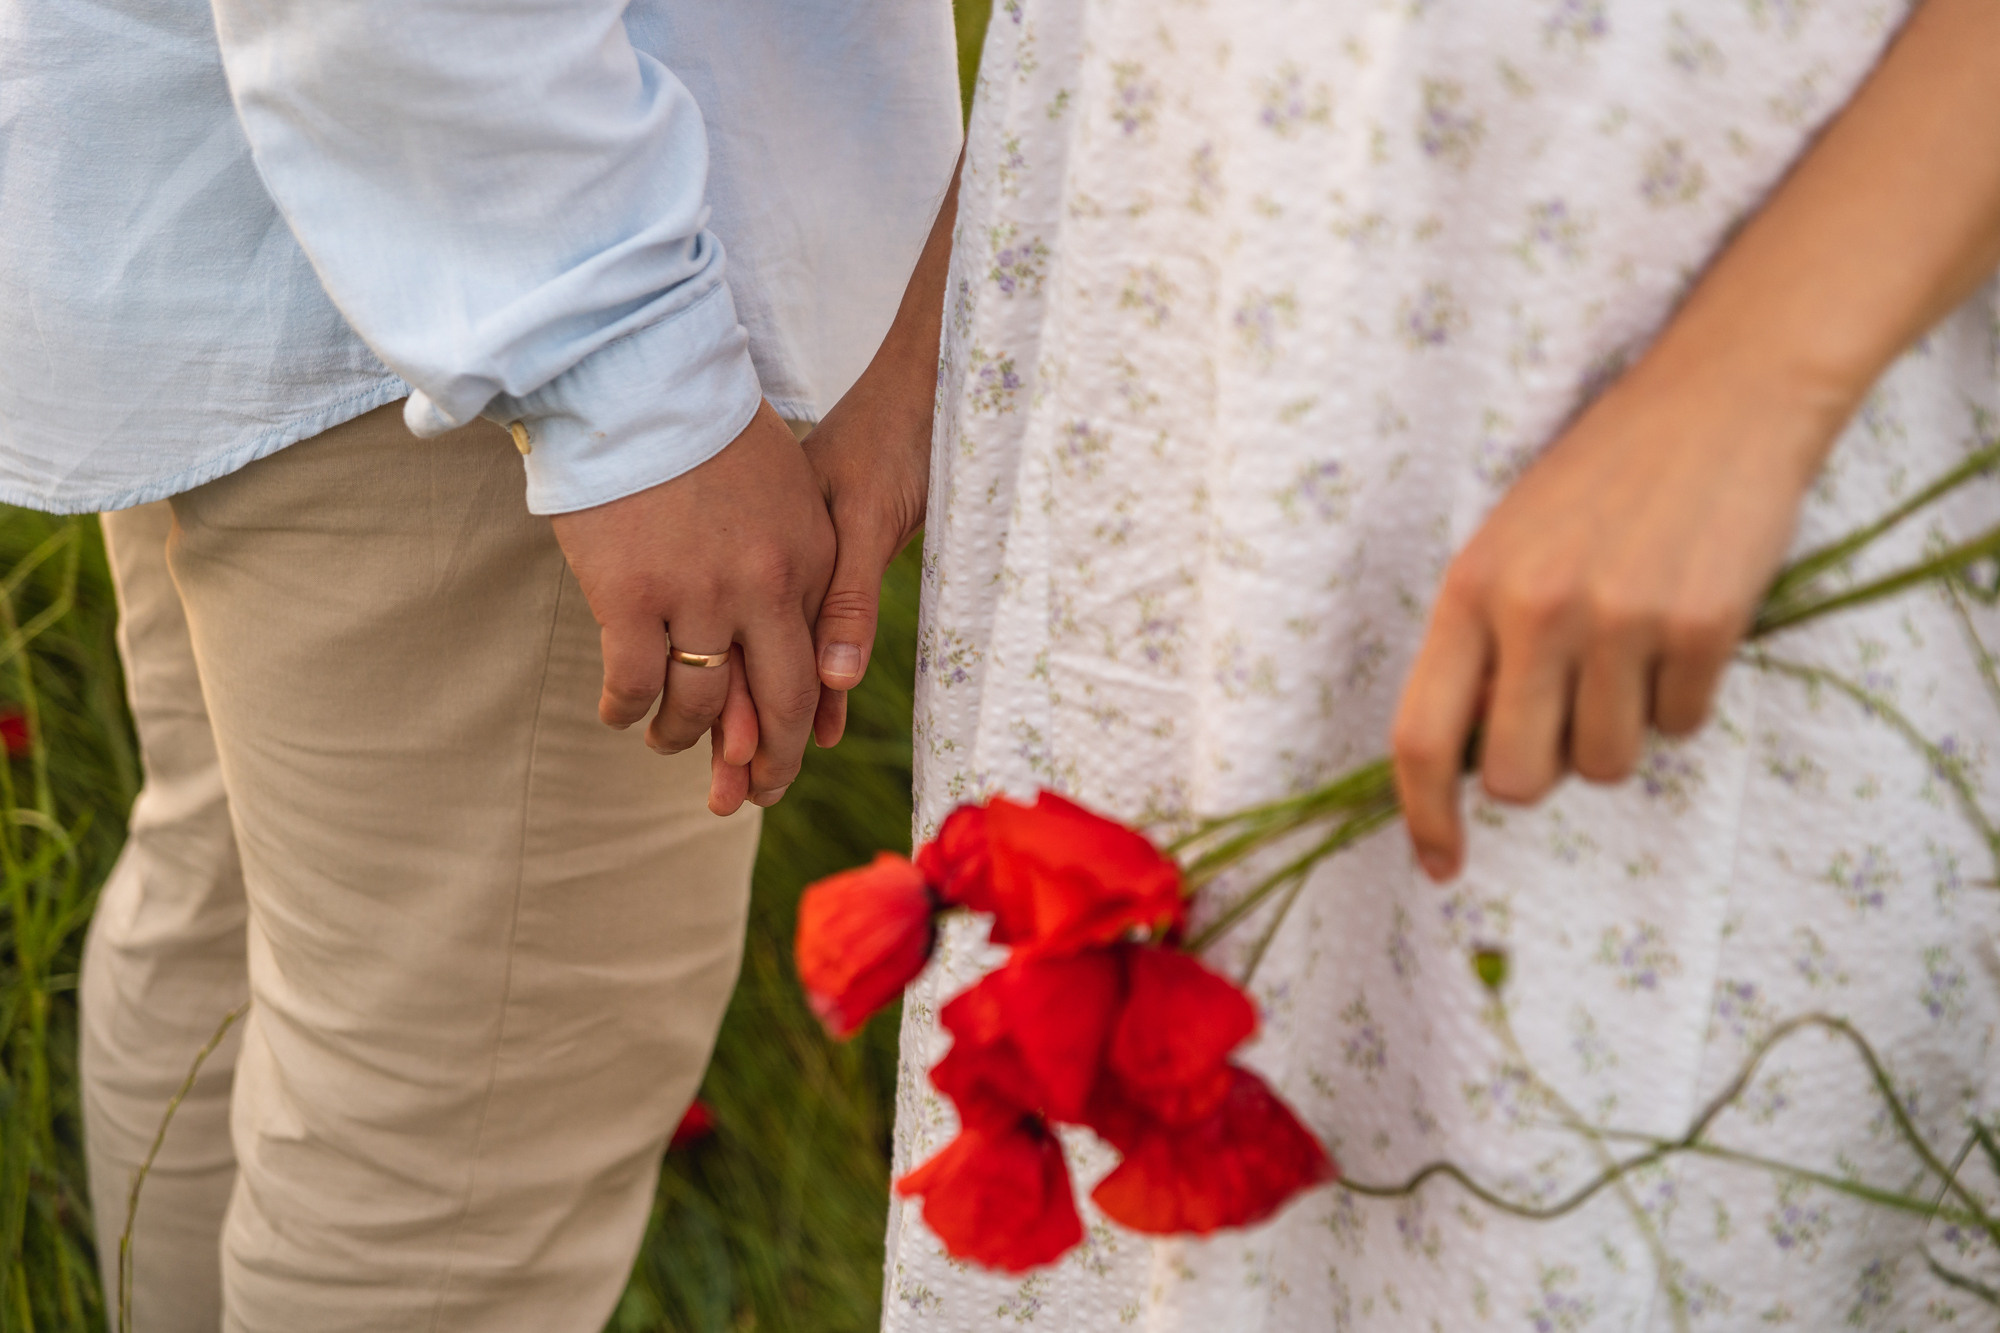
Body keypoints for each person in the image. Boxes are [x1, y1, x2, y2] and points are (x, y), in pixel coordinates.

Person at [803, 0, 2000, 1326]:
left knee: (1608, 1175)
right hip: (1179, 378)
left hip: (1687, 378)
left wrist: (1759, 381)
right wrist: (956, 309)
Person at [0, 1, 959, 1328]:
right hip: (499, 254)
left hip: (319, 202)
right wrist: (630, 371)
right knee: (451, 1158)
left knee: (245, 953)